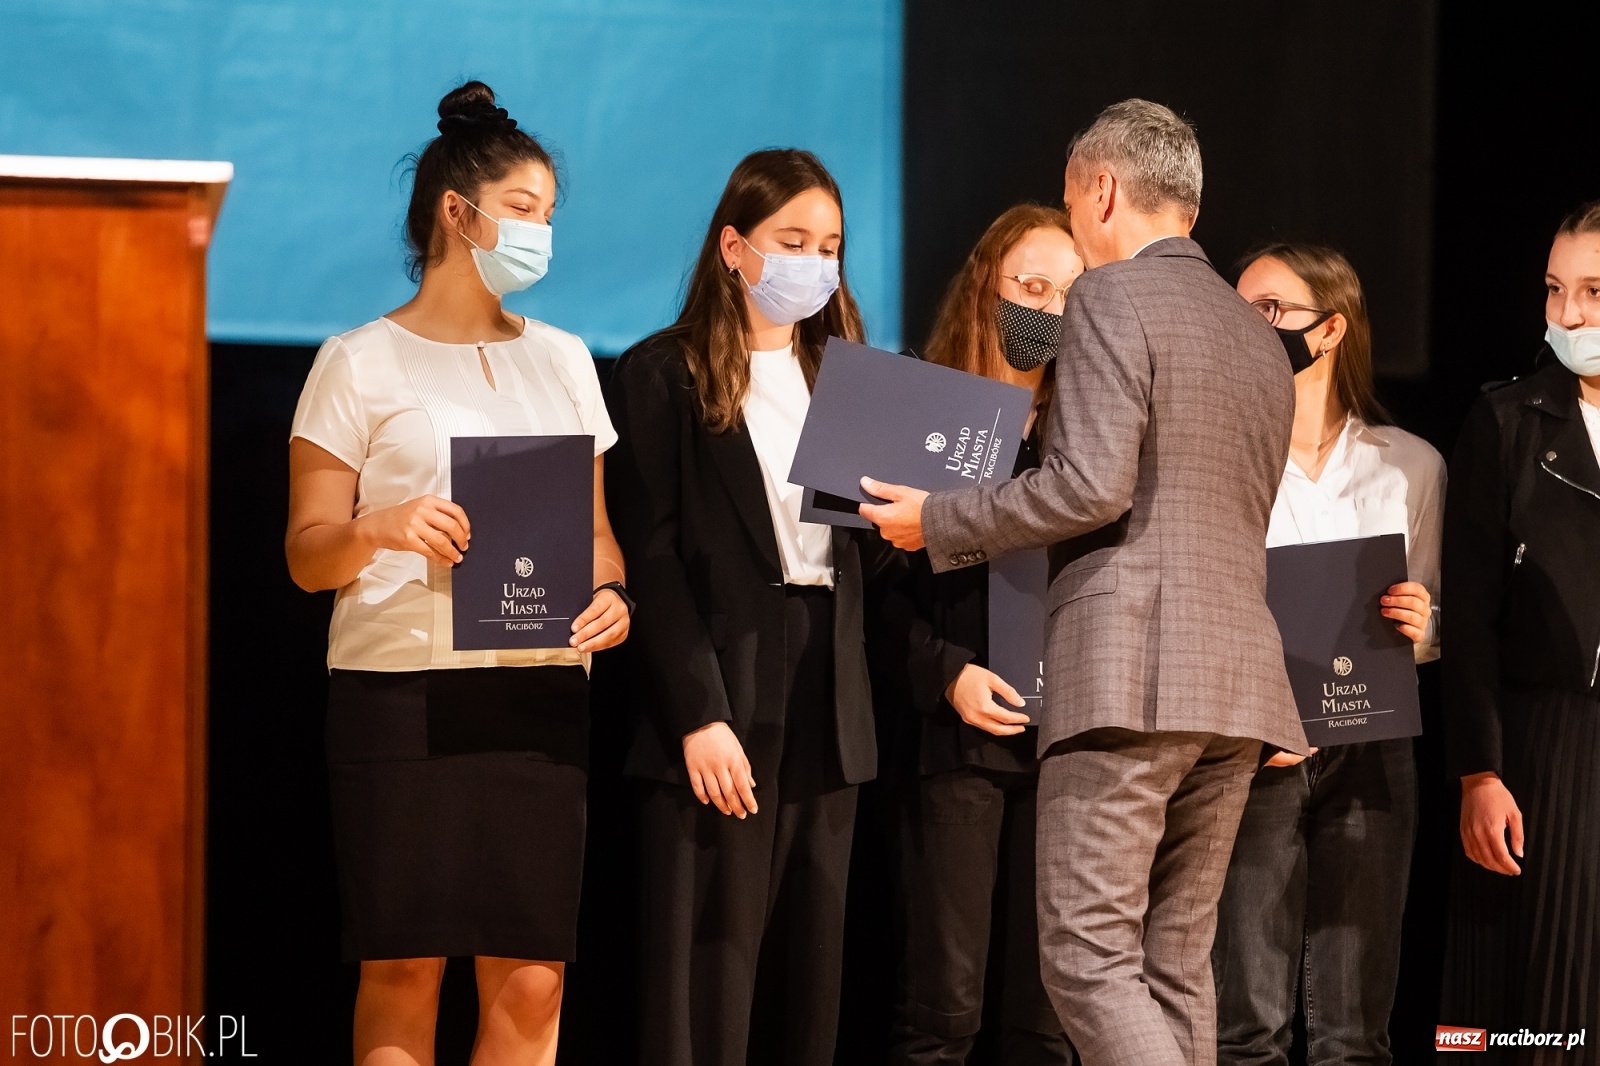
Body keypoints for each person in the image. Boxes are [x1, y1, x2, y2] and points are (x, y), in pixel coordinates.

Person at [860, 99, 1306, 1066]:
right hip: (1238, 685)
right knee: (1175, 961)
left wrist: (935, 520)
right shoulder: (1256, 334)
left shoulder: (1109, 297)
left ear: (1102, 190)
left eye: (1071, 206)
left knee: (1087, 958)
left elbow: (1088, 487)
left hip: (1131, 674)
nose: (1074, 231)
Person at [285, 82, 631, 1066]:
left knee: (532, 975)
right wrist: (379, 528)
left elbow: (600, 538)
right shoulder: (357, 361)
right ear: (457, 212)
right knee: (405, 966)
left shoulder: (565, 360)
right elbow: (306, 554)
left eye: (549, 217)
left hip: (536, 700)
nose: (539, 234)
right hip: (401, 695)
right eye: (523, 211)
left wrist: (609, 595)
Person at [604, 148, 895, 1066]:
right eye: (793, 240)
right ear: (735, 247)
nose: (817, 262)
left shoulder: (852, 384)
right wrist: (698, 714)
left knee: (811, 975)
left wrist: (908, 524)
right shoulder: (665, 373)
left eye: (833, 245)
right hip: (721, 685)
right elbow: (649, 555)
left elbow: (862, 565)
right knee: (705, 973)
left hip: (828, 689)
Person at [1211, 243, 1444, 1066]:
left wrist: (1421, 620)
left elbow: (1426, 633)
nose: (1250, 326)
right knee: (1247, 1029)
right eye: (1238, 309)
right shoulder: (1216, 455)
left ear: (1331, 327)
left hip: (1371, 750)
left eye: (1270, 310)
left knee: (1355, 1031)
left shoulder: (1410, 465)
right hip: (1252, 748)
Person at [877, 204, 1081, 1065]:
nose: (1051, 313)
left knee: (1049, 1014)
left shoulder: (1095, 436)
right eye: (1031, 289)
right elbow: (874, 597)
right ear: (985, 292)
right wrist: (948, 674)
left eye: (1072, 297)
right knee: (943, 1010)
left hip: (1069, 750)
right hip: (956, 743)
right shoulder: (923, 409)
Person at [1441, 200, 1600, 1063]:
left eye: (1594, 292)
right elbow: (1468, 617)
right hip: (1541, 742)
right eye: (1553, 291)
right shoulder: (1506, 421)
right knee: (1519, 1013)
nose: (1568, 316)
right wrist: (1480, 771)